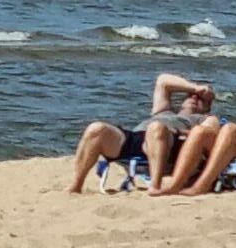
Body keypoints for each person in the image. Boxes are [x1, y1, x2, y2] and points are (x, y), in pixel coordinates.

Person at [68, 72, 216, 194]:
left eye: (201, 99)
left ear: (207, 108)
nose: (194, 98)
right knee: (96, 128)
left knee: (156, 127)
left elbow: (208, 135)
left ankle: (155, 185)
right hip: (137, 138)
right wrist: (195, 88)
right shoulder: (164, 111)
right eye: (190, 95)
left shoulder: (205, 118)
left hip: (169, 143)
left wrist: (178, 131)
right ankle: (76, 185)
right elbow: (163, 81)